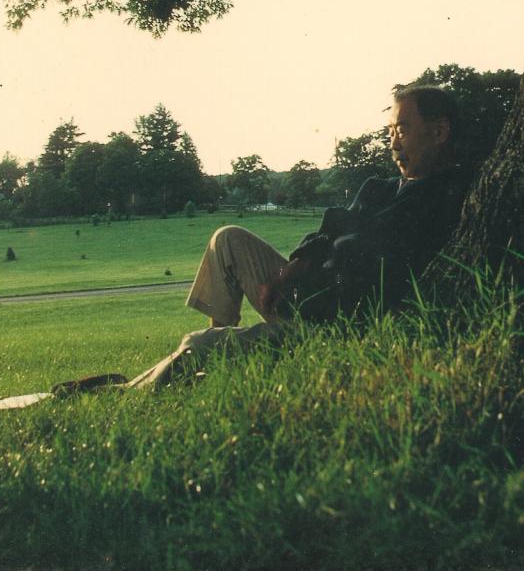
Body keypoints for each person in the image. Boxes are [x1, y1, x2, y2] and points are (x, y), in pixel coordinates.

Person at [129, 86, 470, 388]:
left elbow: (373, 264)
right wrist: (288, 270)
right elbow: (328, 230)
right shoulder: (377, 189)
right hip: (301, 300)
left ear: (439, 132)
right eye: (391, 131)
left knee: (196, 345)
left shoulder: (449, 196)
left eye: (403, 130)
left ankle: (131, 390)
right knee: (228, 239)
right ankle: (220, 346)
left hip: (329, 330)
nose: (393, 143)